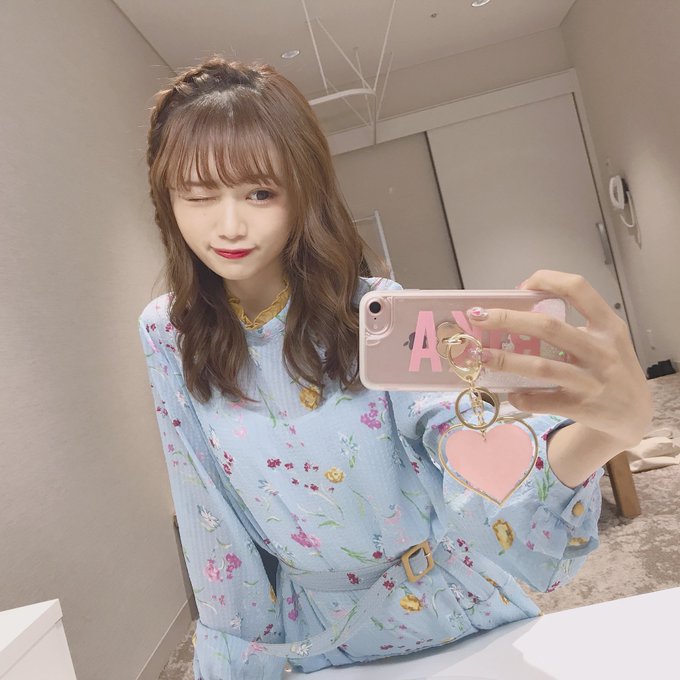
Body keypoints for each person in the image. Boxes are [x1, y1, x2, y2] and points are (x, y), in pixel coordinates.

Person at [138, 56, 652, 679]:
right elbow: (208, 517)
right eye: (197, 196)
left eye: (260, 193)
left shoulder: (374, 310)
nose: (228, 225)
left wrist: (606, 434)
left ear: (303, 190)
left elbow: (460, 442)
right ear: (168, 201)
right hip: (320, 636)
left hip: (450, 607)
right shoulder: (168, 333)